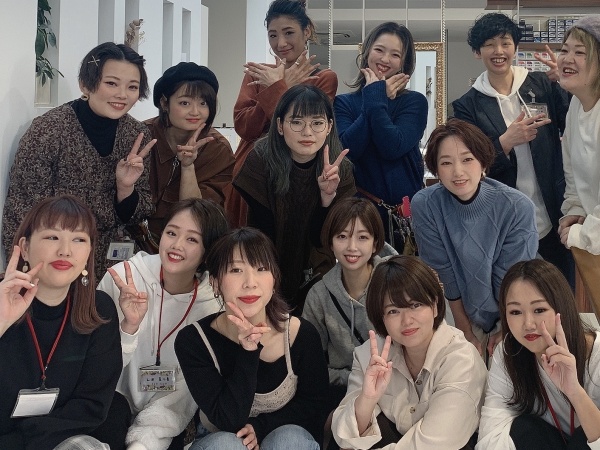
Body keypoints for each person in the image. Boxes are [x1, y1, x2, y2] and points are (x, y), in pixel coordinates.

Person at [2, 42, 156, 279]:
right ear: (85, 84)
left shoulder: (136, 135)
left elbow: (140, 213)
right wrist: (27, 276)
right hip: (57, 263)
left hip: (114, 267)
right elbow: (22, 214)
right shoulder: (48, 131)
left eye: (132, 87)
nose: (122, 94)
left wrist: (125, 189)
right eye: (111, 83)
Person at [175, 227, 329, 450]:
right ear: (215, 282)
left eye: (261, 268)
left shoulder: (301, 334)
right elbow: (228, 420)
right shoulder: (193, 341)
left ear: (274, 279)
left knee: (288, 439)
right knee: (227, 445)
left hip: (286, 434)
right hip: (220, 436)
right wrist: (248, 351)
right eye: (236, 270)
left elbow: (315, 405)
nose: (250, 282)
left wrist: (261, 426)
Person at [452, 13, 574, 287]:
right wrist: (505, 142)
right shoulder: (467, 106)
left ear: (515, 48)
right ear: (477, 52)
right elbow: (469, 165)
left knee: (560, 291)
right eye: (489, 44)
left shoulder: (541, 84)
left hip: (553, 212)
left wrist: (567, 84)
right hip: (502, 218)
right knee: (511, 292)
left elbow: (573, 124)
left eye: (505, 43)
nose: (499, 51)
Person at [97, 198, 229, 450]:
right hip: (110, 405)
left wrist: (143, 443)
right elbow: (95, 365)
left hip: (164, 421)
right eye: (171, 233)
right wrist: (128, 328)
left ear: (208, 251)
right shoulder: (125, 279)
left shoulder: (212, 306)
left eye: (192, 239)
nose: (176, 245)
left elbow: (184, 394)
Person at [0, 195, 122, 450]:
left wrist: (24, 440)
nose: (65, 250)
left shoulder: (99, 309)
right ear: (25, 247)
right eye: (52, 236)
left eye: (79, 239)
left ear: (89, 252)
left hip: (55, 439)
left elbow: (92, 405)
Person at [332, 256, 488, 450]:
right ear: (381, 317)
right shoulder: (372, 355)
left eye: (415, 305)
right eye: (393, 311)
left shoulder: (461, 361)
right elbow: (343, 435)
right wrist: (367, 400)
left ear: (434, 305)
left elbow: (433, 444)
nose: (407, 321)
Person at [412, 118, 538, 358]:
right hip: (456, 310)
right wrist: (465, 330)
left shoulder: (517, 208)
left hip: (515, 307)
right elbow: (445, 275)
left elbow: (513, 279)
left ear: (483, 163)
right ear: (436, 170)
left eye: (467, 159)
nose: (458, 172)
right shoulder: (426, 205)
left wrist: (508, 329)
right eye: (446, 163)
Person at [233, 84, 355, 311]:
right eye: (297, 122)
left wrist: (327, 199)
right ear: (280, 126)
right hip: (263, 262)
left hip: (318, 269)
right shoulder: (260, 159)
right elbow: (262, 231)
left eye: (317, 123)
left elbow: (322, 241)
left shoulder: (341, 169)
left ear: (329, 127)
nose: (307, 132)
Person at [227, 0, 338, 228]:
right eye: (273, 35)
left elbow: (311, 130)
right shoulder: (257, 74)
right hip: (253, 170)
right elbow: (246, 129)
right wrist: (281, 85)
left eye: (289, 33)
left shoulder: (324, 78)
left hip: (300, 173)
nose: (281, 43)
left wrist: (278, 88)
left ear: (306, 32)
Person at [476, 259, 600, 449]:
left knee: (583, 435)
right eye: (515, 312)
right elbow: (489, 439)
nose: (528, 324)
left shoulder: (596, 355)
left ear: (562, 308)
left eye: (539, 310)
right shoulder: (509, 353)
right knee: (524, 428)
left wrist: (575, 392)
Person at [334, 22, 427, 249]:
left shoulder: (414, 102)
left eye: (395, 54)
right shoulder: (343, 103)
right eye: (379, 50)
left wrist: (376, 99)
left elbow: (392, 146)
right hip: (360, 213)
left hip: (405, 216)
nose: (385, 59)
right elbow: (349, 150)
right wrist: (376, 97)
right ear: (367, 52)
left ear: (404, 63)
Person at [302, 197, 391, 411]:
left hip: (391, 387)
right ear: (331, 242)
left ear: (375, 243)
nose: (352, 247)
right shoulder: (319, 296)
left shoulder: (393, 284)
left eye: (362, 237)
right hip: (342, 392)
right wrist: (351, 379)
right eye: (342, 236)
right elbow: (310, 365)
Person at [144, 62, 235, 240]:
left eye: (203, 103)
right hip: (133, 238)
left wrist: (187, 167)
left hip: (187, 240)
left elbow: (200, 217)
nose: (195, 112)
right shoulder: (141, 135)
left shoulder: (217, 148)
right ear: (164, 103)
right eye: (184, 103)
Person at [556, 16, 600, 256]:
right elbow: (571, 170)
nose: (567, 59)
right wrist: (575, 208)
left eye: (580, 52)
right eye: (564, 50)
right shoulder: (576, 104)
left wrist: (585, 235)